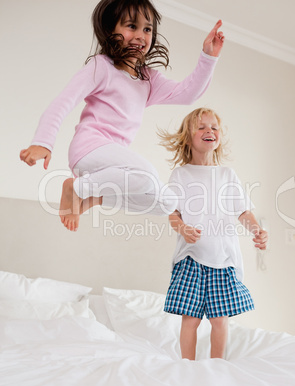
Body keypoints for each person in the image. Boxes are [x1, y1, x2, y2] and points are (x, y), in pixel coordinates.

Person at [19, 0, 225, 232]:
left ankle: (94, 198)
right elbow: (63, 102)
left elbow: (188, 93)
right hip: (88, 150)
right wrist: (42, 142)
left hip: (112, 169)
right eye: (131, 26)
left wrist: (208, 57)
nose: (140, 35)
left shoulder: (147, 79)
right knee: (147, 175)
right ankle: (75, 188)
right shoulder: (101, 67)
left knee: (167, 202)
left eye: (147, 29)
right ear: (110, 30)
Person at [159, 107, 268, 360]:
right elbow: (173, 214)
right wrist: (184, 228)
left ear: (219, 137)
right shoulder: (181, 175)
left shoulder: (227, 175)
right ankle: (187, 365)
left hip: (223, 259)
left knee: (220, 321)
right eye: (201, 127)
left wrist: (257, 230)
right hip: (191, 259)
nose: (209, 130)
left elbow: (243, 212)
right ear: (188, 137)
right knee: (191, 320)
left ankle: (217, 366)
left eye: (214, 127)